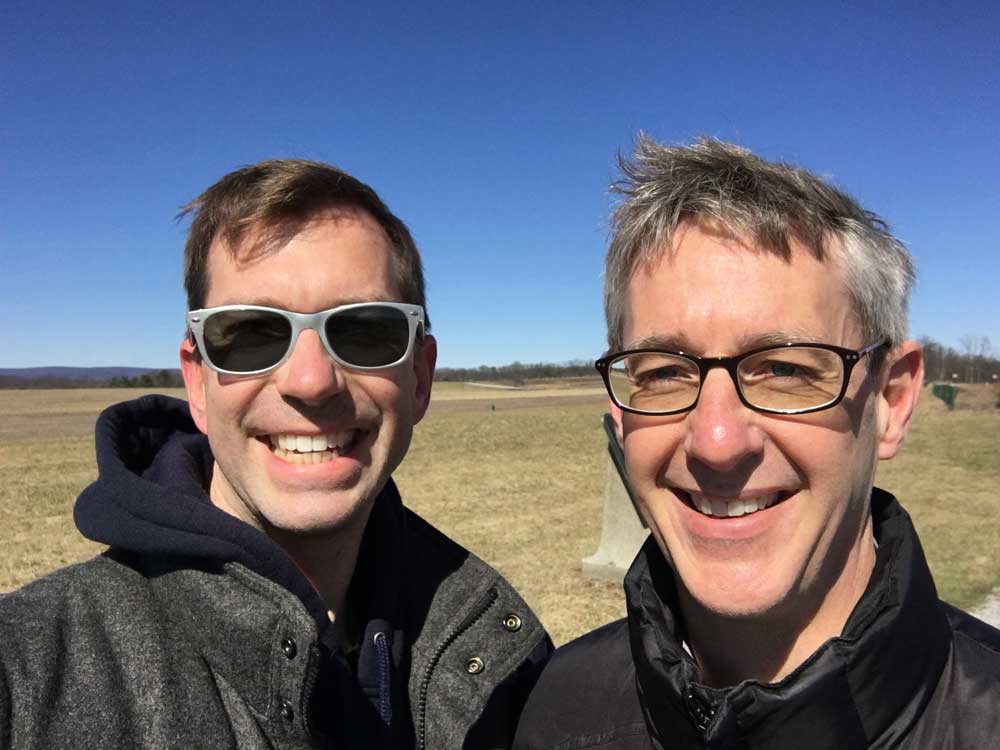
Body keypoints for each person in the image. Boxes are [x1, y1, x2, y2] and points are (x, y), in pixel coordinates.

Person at [0, 159, 549, 749]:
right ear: (197, 383)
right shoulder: (32, 672)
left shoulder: (503, 648)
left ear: (420, 377)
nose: (311, 381)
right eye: (253, 334)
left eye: (364, 330)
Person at [514, 137, 1000, 749]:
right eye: (664, 371)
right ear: (619, 415)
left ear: (891, 401)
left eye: (786, 369)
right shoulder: (556, 713)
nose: (717, 441)